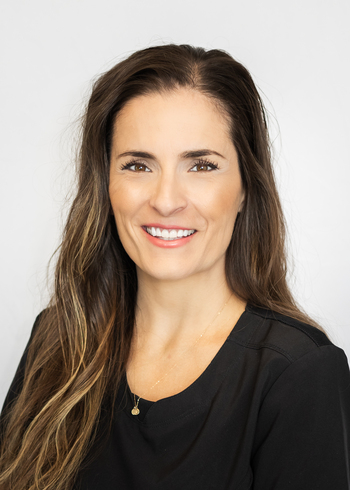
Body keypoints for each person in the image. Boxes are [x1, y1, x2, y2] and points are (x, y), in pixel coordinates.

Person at [0, 44, 349, 490]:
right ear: (105, 184)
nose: (165, 200)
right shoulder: (58, 337)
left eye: (201, 165)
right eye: (138, 165)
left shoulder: (300, 374)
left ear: (246, 187)